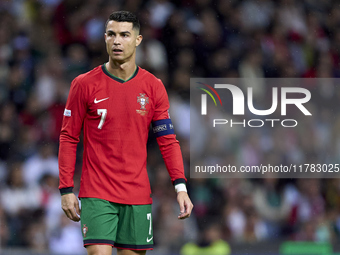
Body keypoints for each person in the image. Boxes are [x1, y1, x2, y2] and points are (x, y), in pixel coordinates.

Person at [58, 10, 193, 255]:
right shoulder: (84, 84)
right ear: (105, 38)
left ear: (138, 40)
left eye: (124, 35)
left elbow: (167, 140)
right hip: (97, 191)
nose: (117, 41)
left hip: (137, 192)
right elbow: (68, 137)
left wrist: (180, 187)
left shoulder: (153, 87)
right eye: (111, 34)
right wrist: (66, 189)